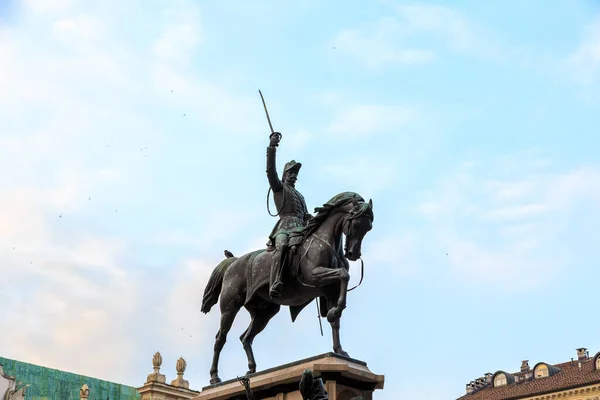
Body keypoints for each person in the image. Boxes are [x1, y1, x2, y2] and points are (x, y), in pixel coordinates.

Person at [266, 131, 312, 298]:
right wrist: (272, 147)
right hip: (284, 227)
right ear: (284, 175)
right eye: (290, 173)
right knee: (282, 247)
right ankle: (275, 281)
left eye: (295, 174)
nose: (293, 176)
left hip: (301, 229)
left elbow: (305, 215)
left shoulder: (300, 196)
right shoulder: (279, 188)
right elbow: (270, 171)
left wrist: (311, 219)